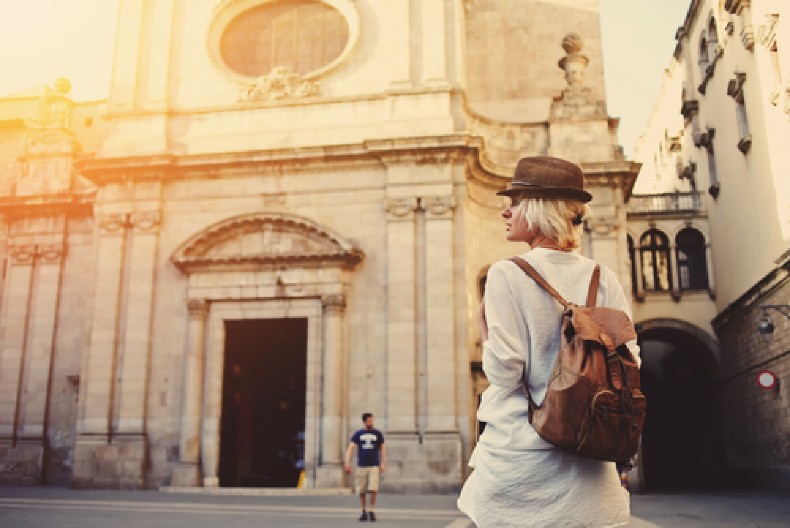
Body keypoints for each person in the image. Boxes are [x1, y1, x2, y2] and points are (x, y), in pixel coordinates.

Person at [457, 156, 641, 527]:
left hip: (521, 461)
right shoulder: (603, 278)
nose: (505, 211)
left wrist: (488, 334)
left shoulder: (506, 274)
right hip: (591, 465)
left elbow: (506, 374)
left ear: (540, 209)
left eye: (515, 202)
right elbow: (631, 361)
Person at [345, 412, 386, 522]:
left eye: (372, 420)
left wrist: (382, 463)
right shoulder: (358, 433)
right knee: (361, 490)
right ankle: (363, 511)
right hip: (361, 465)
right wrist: (347, 462)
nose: (371, 423)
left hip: (374, 465)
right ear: (364, 422)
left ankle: (371, 510)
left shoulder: (378, 433)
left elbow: (382, 448)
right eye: (369, 421)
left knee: (373, 488)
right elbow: (351, 447)